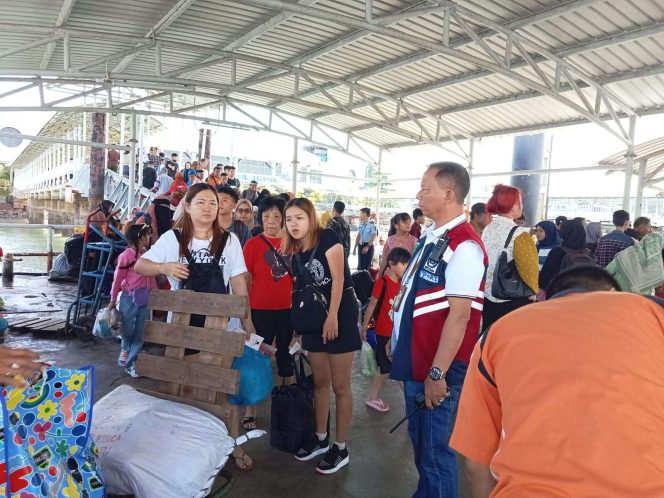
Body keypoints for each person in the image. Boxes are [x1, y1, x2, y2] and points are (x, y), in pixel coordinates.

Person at [449, 266, 664, 498]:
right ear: (613, 293)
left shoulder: (497, 333)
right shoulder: (651, 312)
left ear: (549, 301)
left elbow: (475, 464)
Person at [134, 182, 256, 471]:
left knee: (221, 389)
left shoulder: (229, 241)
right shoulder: (172, 238)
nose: (207, 208)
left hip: (223, 328)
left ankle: (233, 445)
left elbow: (239, 283)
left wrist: (249, 323)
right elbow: (141, 265)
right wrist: (163, 268)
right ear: (187, 207)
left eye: (212, 203)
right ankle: (189, 447)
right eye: (200, 202)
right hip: (182, 329)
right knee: (185, 386)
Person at [389, 162, 487, 498]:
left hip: (436, 369)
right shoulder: (434, 237)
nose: (418, 193)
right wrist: (398, 340)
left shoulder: (465, 246)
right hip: (418, 358)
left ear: (448, 194)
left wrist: (436, 374)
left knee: (434, 455)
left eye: (425, 187)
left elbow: (459, 318)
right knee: (422, 448)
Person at [284, 198, 361, 475]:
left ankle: (340, 448)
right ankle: (320, 439)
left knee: (340, 386)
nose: (294, 224)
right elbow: (302, 291)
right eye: (289, 219)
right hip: (314, 318)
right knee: (319, 382)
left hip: (339, 314)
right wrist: (298, 328)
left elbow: (338, 280)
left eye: (299, 218)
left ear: (311, 218)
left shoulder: (328, 236)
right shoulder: (297, 249)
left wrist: (333, 317)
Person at [241, 196, 294, 430]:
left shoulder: (293, 245)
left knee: (287, 359)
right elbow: (246, 280)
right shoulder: (252, 245)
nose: (271, 222)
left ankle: (287, 407)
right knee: (254, 359)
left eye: (276, 217)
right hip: (259, 312)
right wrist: (247, 317)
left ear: (283, 219)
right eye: (266, 217)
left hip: (288, 313)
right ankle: (250, 410)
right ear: (259, 218)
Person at [481, 184, 538, 332]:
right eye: (520, 201)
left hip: (487, 297)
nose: (522, 205)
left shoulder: (488, 228)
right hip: (511, 299)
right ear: (512, 206)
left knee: (489, 338)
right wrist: (534, 291)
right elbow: (529, 270)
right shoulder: (521, 234)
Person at [360, 247, 410, 413]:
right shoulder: (382, 283)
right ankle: (375, 398)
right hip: (383, 332)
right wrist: (364, 327)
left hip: (395, 333)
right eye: (403, 263)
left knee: (389, 368)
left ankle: (374, 397)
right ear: (391, 263)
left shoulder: (403, 284)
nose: (406, 267)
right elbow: (372, 305)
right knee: (389, 368)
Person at [108, 224, 157, 378]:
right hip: (128, 297)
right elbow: (117, 280)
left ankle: (131, 363)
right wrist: (113, 299)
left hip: (145, 297)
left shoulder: (147, 255)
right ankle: (125, 348)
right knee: (127, 328)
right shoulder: (126, 256)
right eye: (147, 235)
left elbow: (151, 276)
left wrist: (156, 295)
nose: (149, 238)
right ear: (140, 237)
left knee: (141, 331)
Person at [539, 218, 594, 292]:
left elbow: (545, 279)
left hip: (560, 296)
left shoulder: (557, 252)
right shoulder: (588, 253)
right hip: (583, 295)